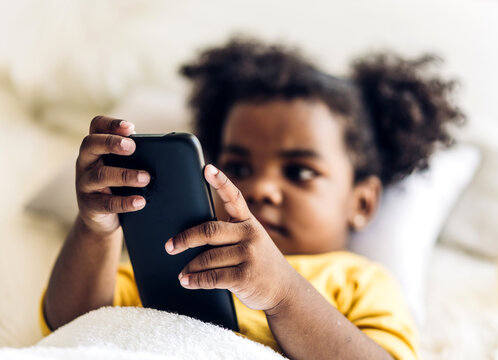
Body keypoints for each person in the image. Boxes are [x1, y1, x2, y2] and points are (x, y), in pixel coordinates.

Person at [40, 38, 463, 360]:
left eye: (299, 171)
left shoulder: (358, 279)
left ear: (363, 203)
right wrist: (94, 229)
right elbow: (71, 328)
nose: (260, 189)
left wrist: (282, 294)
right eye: (238, 169)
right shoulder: (176, 261)